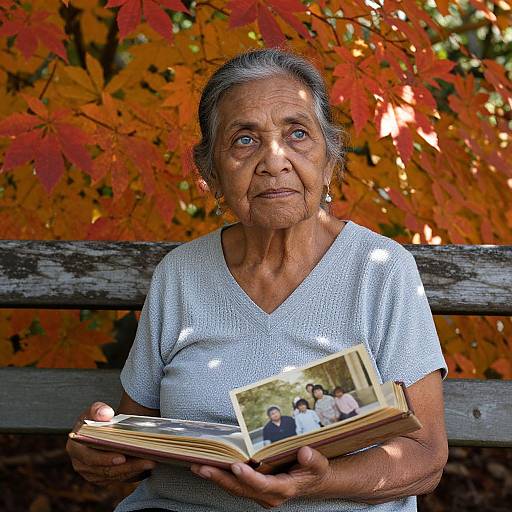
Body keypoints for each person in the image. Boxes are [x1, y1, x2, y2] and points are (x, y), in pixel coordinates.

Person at [66, 48, 448, 512]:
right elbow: (135, 433)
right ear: (211, 172)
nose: (274, 159)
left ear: (329, 160)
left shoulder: (381, 270)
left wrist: (315, 483)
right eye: (244, 140)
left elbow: (426, 458)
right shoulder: (180, 274)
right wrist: (103, 449)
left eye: (298, 134)